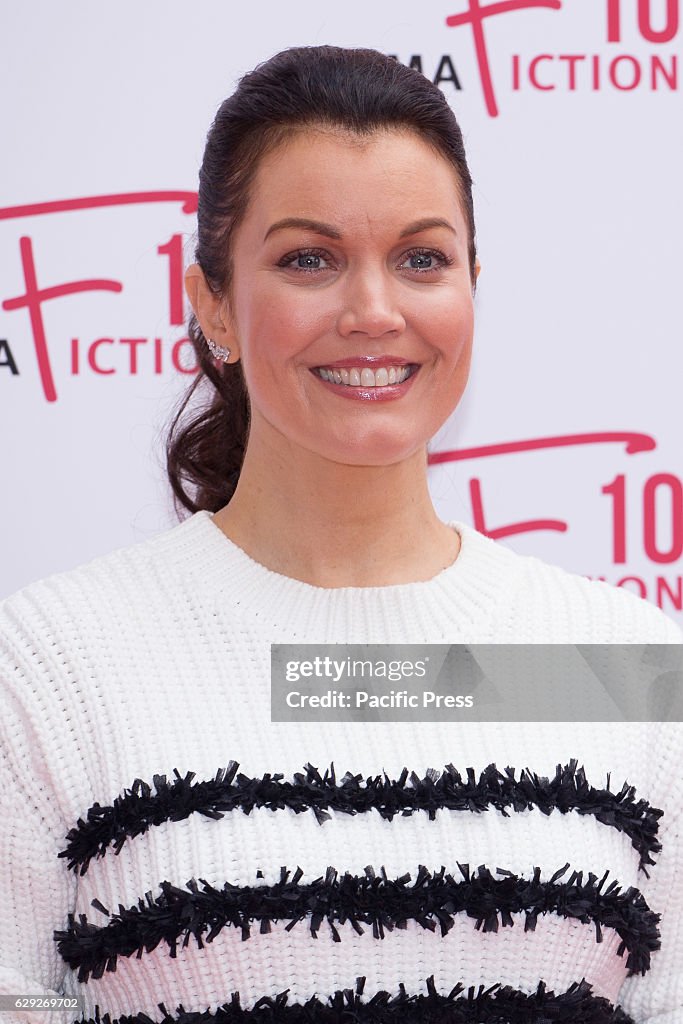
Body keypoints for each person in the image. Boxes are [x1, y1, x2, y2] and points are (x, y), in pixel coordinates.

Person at [1, 45, 681, 1024]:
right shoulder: (52, 668)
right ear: (213, 307)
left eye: (420, 259)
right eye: (307, 259)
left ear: (471, 288)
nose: (372, 312)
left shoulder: (622, 667)